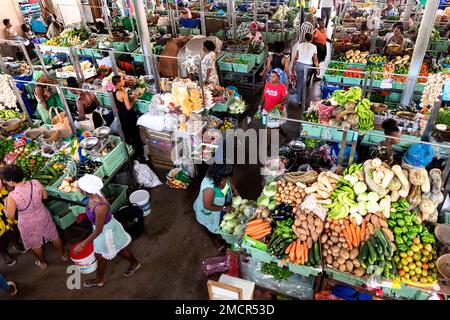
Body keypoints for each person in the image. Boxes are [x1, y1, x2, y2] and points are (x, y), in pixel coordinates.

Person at [72, 175, 140, 288]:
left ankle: (100, 279)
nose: (78, 188)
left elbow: (99, 230)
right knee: (119, 249)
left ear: (84, 190)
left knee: (101, 255)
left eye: (79, 186)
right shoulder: (95, 194)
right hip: (107, 227)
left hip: (106, 232)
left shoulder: (100, 206)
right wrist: (86, 214)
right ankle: (134, 263)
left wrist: (83, 244)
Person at [2, 165, 67, 270]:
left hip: (27, 223)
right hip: (43, 214)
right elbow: (45, 196)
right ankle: (62, 255)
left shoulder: (12, 196)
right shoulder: (35, 182)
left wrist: (5, 207)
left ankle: (42, 263)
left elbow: (10, 216)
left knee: (35, 244)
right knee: (54, 235)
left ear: (11, 181)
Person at [193, 164, 239, 240]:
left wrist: (235, 190)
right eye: (226, 177)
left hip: (222, 205)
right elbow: (208, 206)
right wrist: (224, 208)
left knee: (221, 220)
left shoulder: (222, 176)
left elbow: (229, 179)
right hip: (210, 210)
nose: (228, 179)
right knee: (211, 227)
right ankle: (214, 239)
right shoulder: (209, 189)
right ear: (220, 178)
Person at [111, 75, 143, 156]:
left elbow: (120, 104)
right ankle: (140, 153)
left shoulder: (114, 92)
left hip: (121, 116)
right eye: (122, 80)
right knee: (135, 135)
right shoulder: (123, 92)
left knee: (127, 134)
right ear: (118, 82)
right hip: (129, 116)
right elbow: (128, 107)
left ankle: (131, 154)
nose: (124, 81)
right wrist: (134, 99)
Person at [260, 69, 289, 143]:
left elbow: (286, 100)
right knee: (266, 124)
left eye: (273, 77)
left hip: (276, 112)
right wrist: (260, 104)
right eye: (270, 76)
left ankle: (268, 142)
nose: (271, 78)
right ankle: (281, 133)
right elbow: (264, 95)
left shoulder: (282, 87)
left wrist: (279, 105)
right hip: (266, 109)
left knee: (271, 127)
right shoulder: (267, 84)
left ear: (278, 77)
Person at [293, 33, 319, 105]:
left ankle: (298, 96)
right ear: (311, 39)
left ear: (305, 38)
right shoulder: (314, 47)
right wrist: (318, 68)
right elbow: (315, 60)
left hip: (299, 65)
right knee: (303, 81)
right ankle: (301, 98)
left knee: (300, 80)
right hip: (308, 67)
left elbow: (296, 57)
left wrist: (293, 65)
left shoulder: (300, 45)